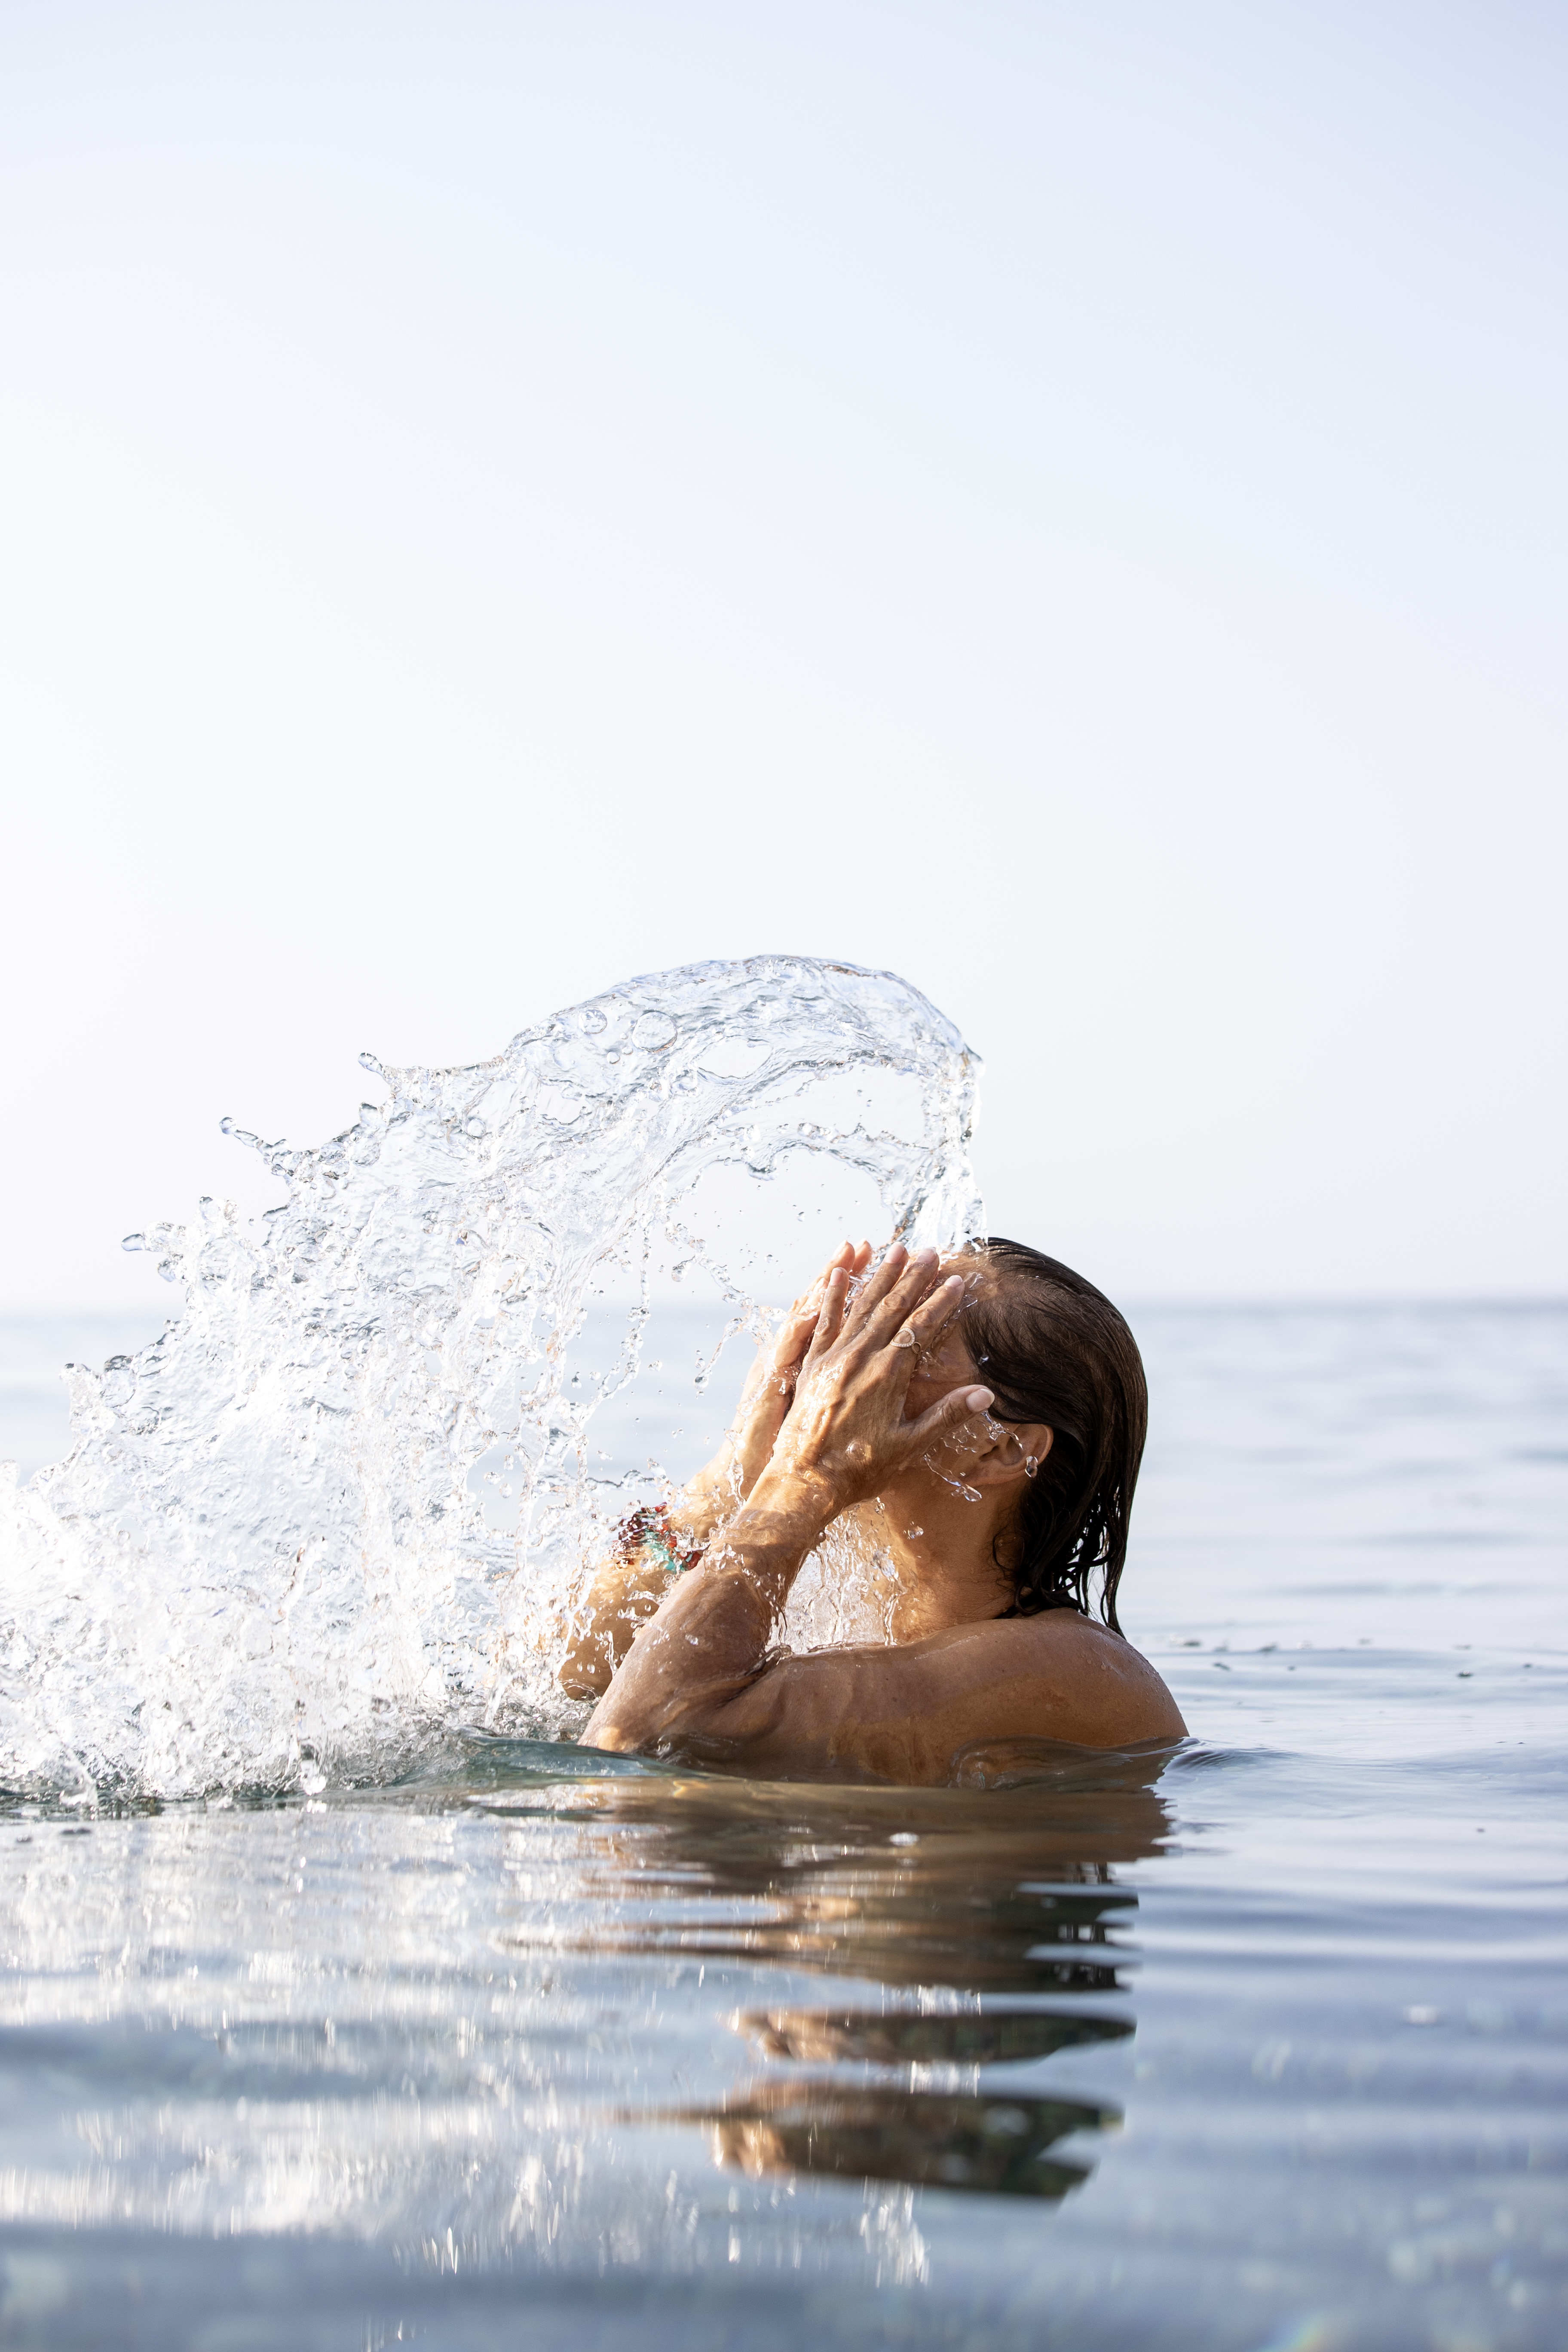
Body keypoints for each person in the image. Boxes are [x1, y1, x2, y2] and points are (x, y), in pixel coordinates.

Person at [560, 1238, 1186, 1783]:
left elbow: (634, 1748)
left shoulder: (1076, 1675)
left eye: (899, 1343)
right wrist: (728, 1485)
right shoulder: (840, 1607)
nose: (838, 1370)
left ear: (1001, 1447)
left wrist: (805, 1478)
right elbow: (568, 1679)